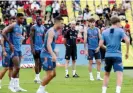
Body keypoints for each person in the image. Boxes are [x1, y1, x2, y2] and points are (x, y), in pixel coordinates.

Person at [100, 16, 130, 93]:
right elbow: (127, 41)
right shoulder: (120, 31)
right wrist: (127, 52)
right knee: (119, 74)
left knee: (106, 74)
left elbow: (100, 45)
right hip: (117, 55)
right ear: (117, 22)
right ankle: (117, 92)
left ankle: (103, 92)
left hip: (107, 56)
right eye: (120, 22)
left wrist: (107, 49)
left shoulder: (104, 32)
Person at [36, 16, 64, 93]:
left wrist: (54, 52)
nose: (63, 25)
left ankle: (42, 89)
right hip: (46, 55)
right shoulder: (51, 31)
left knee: (54, 74)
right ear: (57, 23)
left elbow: (51, 44)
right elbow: (48, 44)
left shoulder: (56, 32)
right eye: (61, 23)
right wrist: (53, 54)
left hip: (50, 54)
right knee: (50, 74)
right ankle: (40, 90)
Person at [2, 13, 27, 92]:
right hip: (13, 50)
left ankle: (17, 86)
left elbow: (19, 38)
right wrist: (10, 44)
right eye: (20, 18)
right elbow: (3, 32)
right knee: (17, 67)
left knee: (18, 68)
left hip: (19, 49)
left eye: (23, 18)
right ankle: (11, 85)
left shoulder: (20, 27)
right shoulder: (13, 26)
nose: (22, 20)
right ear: (17, 18)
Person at [0, 17, 16, 89]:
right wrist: (3, 50)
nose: (13, 22)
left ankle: (11, 85)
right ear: (9, 21)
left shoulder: (15, 30)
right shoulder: (5, 30)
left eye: (14, 21)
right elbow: (2, 40)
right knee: (5, 68)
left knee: (11, 68)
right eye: (12, 21)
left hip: (13, 52)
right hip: (6, 51)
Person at [30, 17, 46, 83]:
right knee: (37, 62)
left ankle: (37, 77)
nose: (39, 21)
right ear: (36, 20)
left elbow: (44, 38)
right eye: (38, 20)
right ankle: (37, 78)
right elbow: (31, 38)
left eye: (40, 20)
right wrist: (32, 48)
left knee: (41, 63)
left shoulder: (43, 28)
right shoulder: (33, 27)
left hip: (41, 48)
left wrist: (45, 47)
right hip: (35, 48)